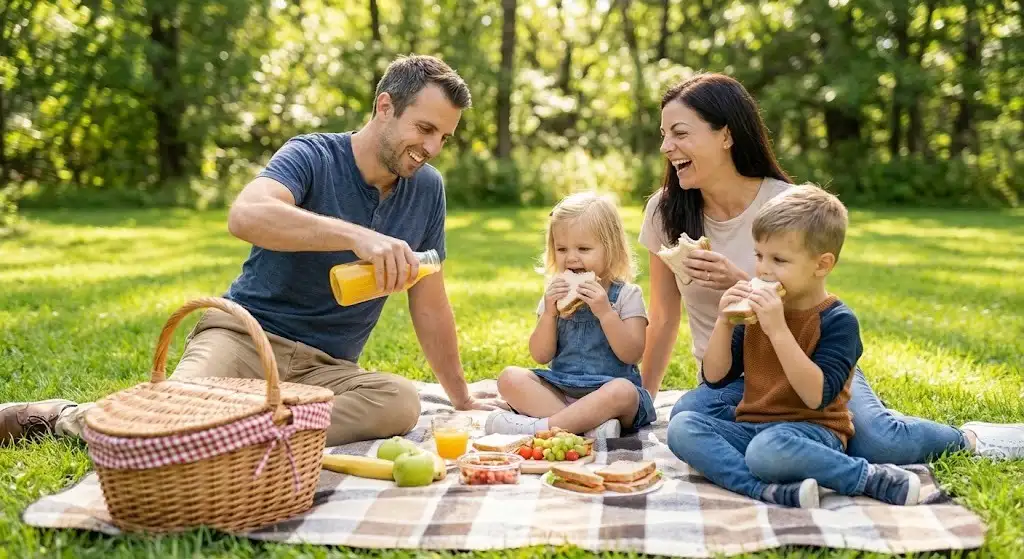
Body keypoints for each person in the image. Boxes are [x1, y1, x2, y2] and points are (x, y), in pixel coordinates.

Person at [0, 54, 503, 448]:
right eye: (425, 128)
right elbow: (246, 215)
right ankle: (65, 417)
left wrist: (460, 398)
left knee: (399, 402)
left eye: (444, 136)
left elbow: (429, 300)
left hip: (326, 367)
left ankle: (232, 436)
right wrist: (355, 236)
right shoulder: (312, 154)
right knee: (173, 415)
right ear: (385, 106)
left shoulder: (427, 188)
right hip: (243, 337)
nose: (433, 147)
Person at [639, 72, 1024, 463]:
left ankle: (974, 439)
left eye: (680, 133)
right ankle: (788, 452)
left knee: (879, 442)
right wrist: (645, 402)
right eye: (664, 134)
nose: (667, 146)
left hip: (805, 361)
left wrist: (738, 281)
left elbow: (813, 306)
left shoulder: (785, 205)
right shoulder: (665, 211)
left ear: (726, 135)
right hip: (731, 380)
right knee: (687, 417)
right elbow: (663, 316)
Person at [670, 183, 920, 508]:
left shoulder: (838, 320)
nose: (762, 269)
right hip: (754, 426)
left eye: (779, 260)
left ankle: (866, 477)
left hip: (814, 431)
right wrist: (724, 322)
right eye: (759, 256)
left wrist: (777, 329)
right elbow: (717, 378)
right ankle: (766, 491)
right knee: (682, 427)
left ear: (822, 265)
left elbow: (816, 398)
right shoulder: (755, 309)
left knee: (768, 451)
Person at [483, 191, 656, 439]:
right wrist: (549, 314)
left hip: (608, 394)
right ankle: (588, 428)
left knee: (624, 391)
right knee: (509, 378)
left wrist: (605, 312)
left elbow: (633, 353)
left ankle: (542, 428)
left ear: (612, 250)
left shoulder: (627, 295)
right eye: (562, 249)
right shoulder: (556, 294)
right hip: (561, 388)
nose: (571, 257)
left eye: (584, 248)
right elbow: (541, 356)